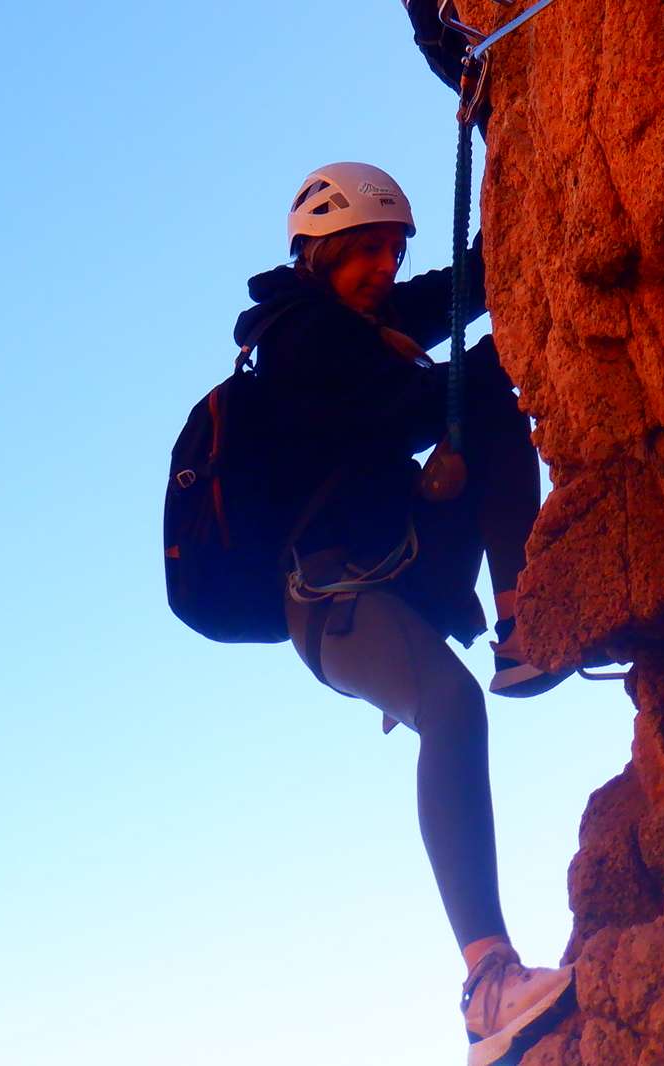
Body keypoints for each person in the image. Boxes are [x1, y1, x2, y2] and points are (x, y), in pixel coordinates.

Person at [231, 161, 575, 1066]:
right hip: (333, 595)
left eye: (390, 250)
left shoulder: (364, 321)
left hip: (397, 558)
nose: (382, 267)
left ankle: (523, 624)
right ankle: (487, 984)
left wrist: (513, 160)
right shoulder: (303, 338)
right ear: (319, 255)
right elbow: (400, 408)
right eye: (363, 252)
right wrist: (504, 353)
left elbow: (465, 286)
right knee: (450, 711)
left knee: (489, 405)